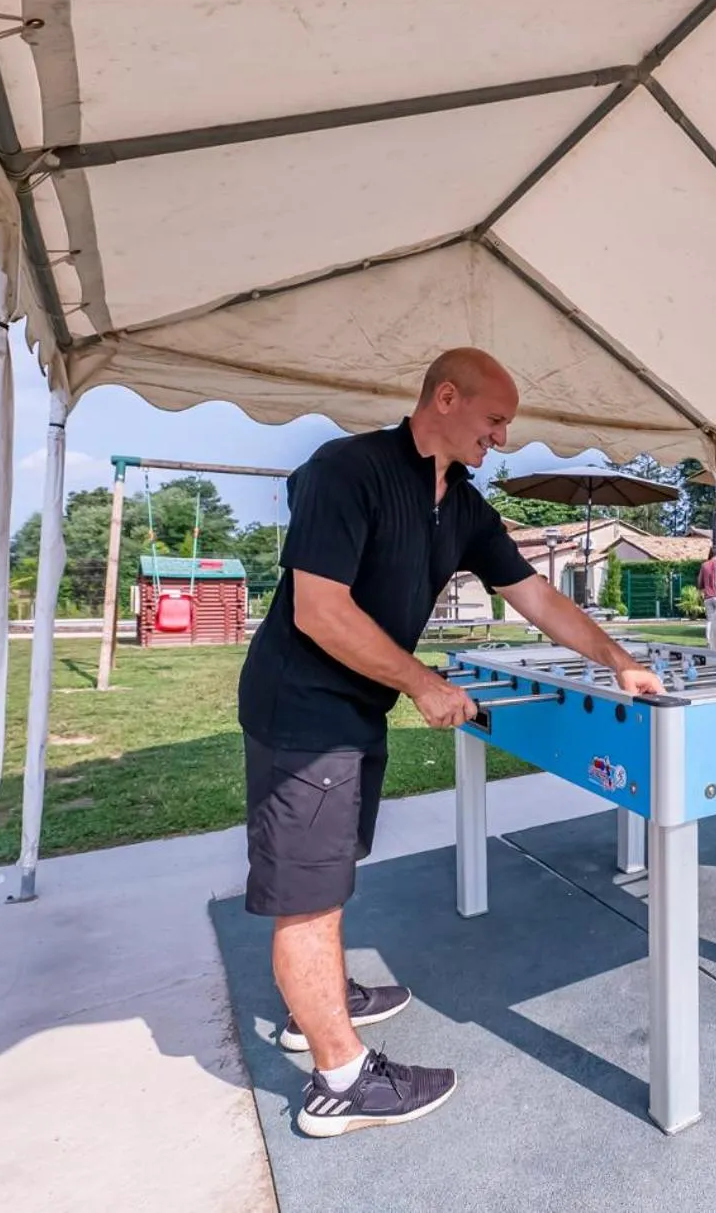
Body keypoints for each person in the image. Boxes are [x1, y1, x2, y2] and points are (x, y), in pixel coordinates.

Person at [237, 347, 666, 1137]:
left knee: (331, 869)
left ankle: (317, 1001)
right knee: (306, 893)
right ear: (444, 398)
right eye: (494, 420)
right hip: (300, 708)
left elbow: (536, 595)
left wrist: (617, 659)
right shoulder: (347, 470)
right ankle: (339, 1079)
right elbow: (318, 611)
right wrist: (423, 682)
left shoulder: (462, 505)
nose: (502, 438)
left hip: (354, 708)